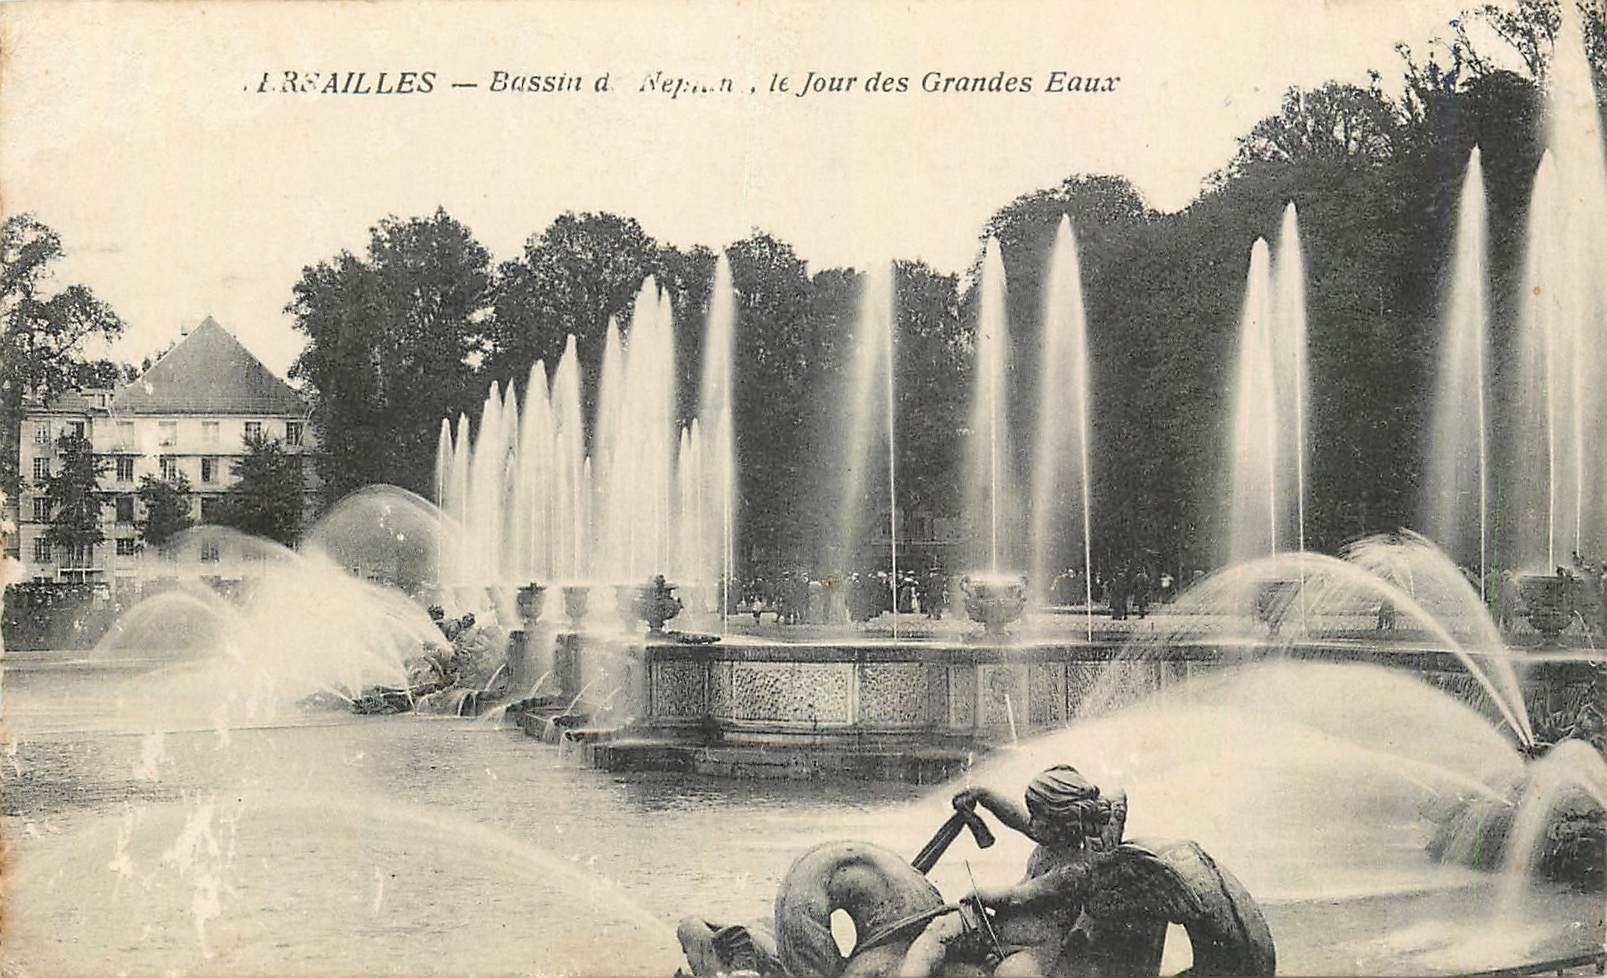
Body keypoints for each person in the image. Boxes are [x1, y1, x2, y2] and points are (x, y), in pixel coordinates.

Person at [899, 765, 1126, 977]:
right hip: (996, 927)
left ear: (1061, 824)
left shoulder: (1073, 871)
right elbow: (1015, 816)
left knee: (1010, 974)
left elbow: (1017, 897)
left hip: (1032, 948)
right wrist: (984, 796)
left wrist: (981, 894)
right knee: (939, 930)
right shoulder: (1049, 839)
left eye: (1037, 816)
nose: (1031, 822)